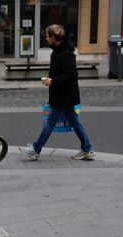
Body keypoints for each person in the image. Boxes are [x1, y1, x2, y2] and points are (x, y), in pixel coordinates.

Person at [19, 24, 94, 161]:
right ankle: (87, 148)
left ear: (54, 37)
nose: (46, 38)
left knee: (50, 123)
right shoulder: (59, 51)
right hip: (64, 96)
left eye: (48, 36)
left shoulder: (65, 54)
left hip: (63, 96)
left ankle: (35, 149)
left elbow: (72, 75)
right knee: (74, 122)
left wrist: (52, 81)